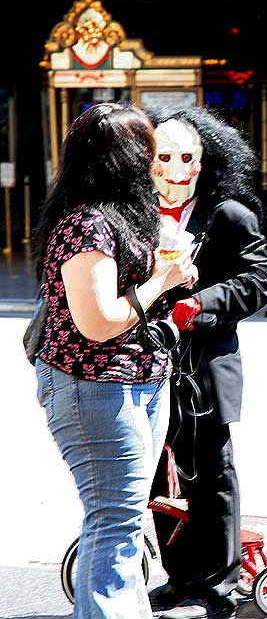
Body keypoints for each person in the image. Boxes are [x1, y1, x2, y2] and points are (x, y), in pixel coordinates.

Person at [32, 103, 198, 619]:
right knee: (116, 521)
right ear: (124, 159)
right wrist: (162, 283)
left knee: (117, 521)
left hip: (135, 381)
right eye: (148, 151)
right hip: (94, 386)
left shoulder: (118, 215)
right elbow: (98, 322)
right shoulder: (87, 224)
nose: (156, 164)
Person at [147, 106, 267, 619]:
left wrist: (201, 304)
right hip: (144, 362)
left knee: (212, 472)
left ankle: (218, 582)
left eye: (188, 157)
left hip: (203, 365)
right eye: (164, 157)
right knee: (159, 477)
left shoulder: (228, 215)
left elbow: (259, 280)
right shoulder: (134, 213)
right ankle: (180, 578)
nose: (177, 169)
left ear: (205, 159)